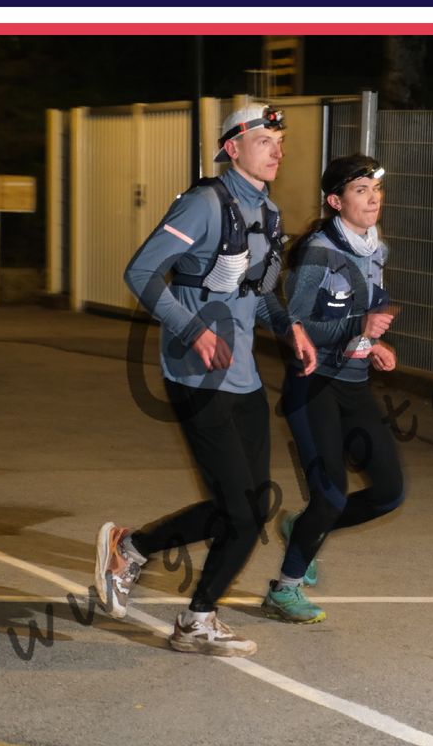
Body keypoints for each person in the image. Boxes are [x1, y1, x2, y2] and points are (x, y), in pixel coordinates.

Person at [94, 103, 316, 657]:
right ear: (232, 148)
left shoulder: (268, 213)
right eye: (264, 140)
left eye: (280, 142)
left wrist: (289, 328)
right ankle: (193, 614)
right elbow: (141, 271)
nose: (276, 150)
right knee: (239, 511)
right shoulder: (203, 204)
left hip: (243, 378)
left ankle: (135, 550)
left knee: (249, 506)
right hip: (196, 376)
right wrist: (191, 328)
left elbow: (257, 294)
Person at [262, 154, 404, 624]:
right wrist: (357, 327)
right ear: (335, 201)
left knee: (389, 492)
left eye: (375, 189)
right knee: (331, 495)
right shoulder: (318, 254)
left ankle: (301, 527)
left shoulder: (375, 247)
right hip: (314, 384)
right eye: (361, 190)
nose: (373, 198)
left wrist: (374, 343)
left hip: (355, 384)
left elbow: (365, 313)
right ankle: (285, 589)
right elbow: (295, 327)